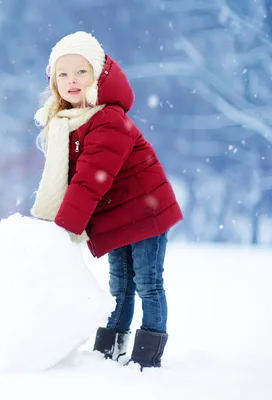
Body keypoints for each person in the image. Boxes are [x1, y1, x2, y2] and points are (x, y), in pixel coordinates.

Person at [30, 31, 183, 369]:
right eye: (63, 73)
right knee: (119, 284)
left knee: (147, 281)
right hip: (118, 216)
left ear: (98, 75)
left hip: (146, 213)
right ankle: (110, 350)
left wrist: (62, 231)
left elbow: (88, 181)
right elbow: (71, 181)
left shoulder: (108, 119)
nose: (72, 81)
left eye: (81, 72)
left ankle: (147, 354)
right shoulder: (68, 123)